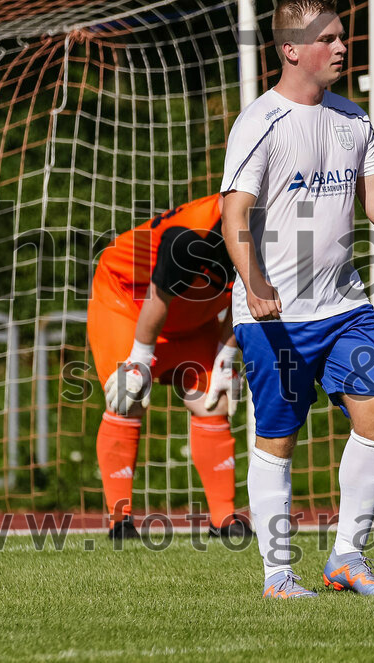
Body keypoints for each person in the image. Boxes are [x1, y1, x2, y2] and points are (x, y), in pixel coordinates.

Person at [220, 0, 374, 599]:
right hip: (274, 315)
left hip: (346, 307)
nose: (341, 46)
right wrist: (256, 286)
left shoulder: (354, 119)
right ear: (291, 50)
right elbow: (234, 218)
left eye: (341, 36)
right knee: (278, 436)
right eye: (328, 39)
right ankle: (277, 574)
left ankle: (346, 559)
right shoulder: (261, 122)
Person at [88, 194, 251, 541]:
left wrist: (224, 359)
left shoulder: (272, 225)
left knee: (214, 400)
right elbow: (156, 298)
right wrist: (139, 360)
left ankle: (223, 519)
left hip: (193, 311)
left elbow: (247, 297)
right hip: (129, 300)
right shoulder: (190, 236)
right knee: (126, 397)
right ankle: (121, 520)